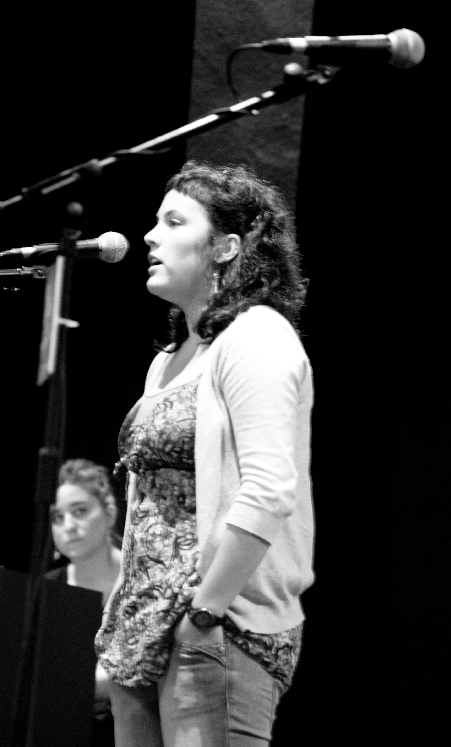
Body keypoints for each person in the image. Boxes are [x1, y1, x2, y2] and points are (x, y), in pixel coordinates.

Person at [94, 160, 315, 746]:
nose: (149, 236)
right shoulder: (167, 361)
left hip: (214, 629)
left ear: (225, 247)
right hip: (141, 629)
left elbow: (268, 491)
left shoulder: (257, 336)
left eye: (173, 222)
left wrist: (204, 613)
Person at [47, 458, 122, 747]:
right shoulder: (47, 590)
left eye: (80, 511)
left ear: (109, 512)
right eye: (57, 517)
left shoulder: (143, 578)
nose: (68, 526)